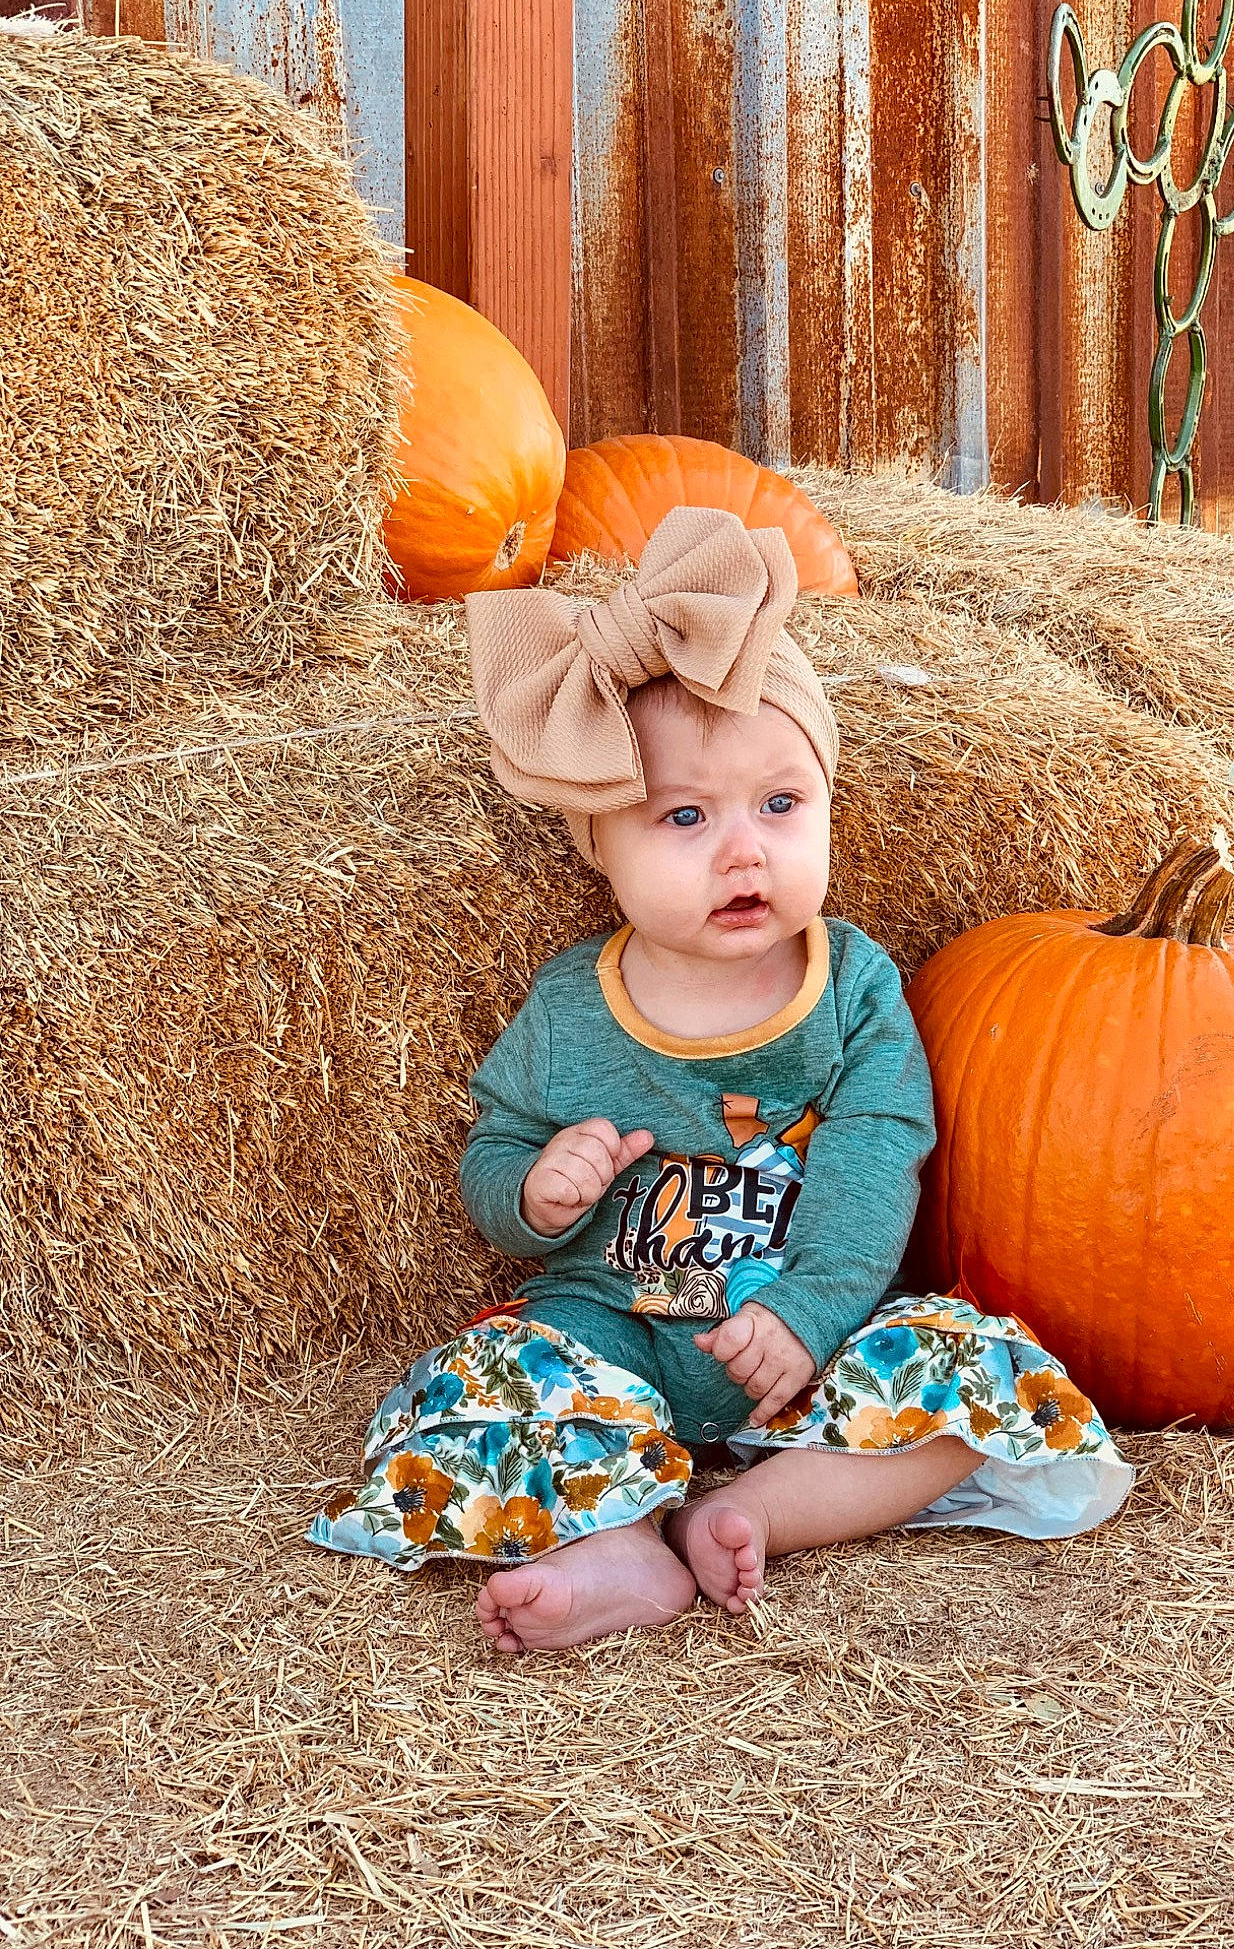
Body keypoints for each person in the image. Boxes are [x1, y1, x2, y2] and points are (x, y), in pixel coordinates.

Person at [310, 506, 1132, 1651]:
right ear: (605, 844)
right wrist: (535, 1188)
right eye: (685, 816)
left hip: (803, 1343)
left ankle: (750, 1511)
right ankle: (617, 1547)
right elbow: (493, 1157)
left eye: (780, 804)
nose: (743, 849)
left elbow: (875, 1153)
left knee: (967, 1368)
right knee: (479, 1382)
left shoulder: (849, 986)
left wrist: (808, 1311)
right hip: (610, 1335)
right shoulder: (569, 1005)